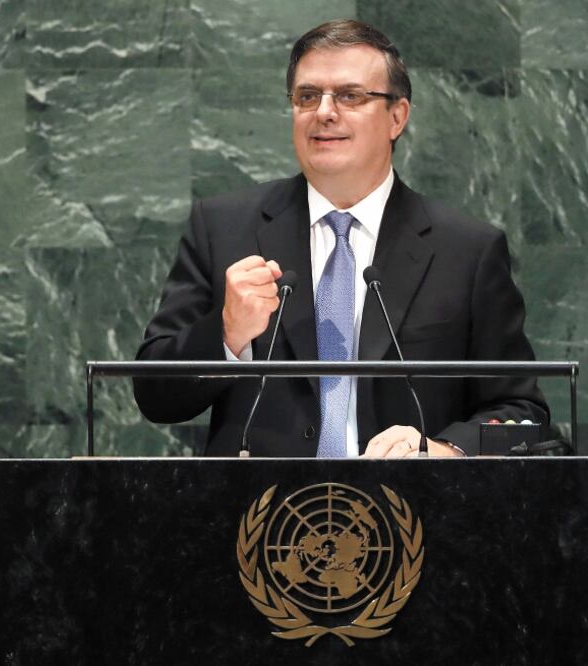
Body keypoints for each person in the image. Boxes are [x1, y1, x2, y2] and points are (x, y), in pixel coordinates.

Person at [134, 19, 549, 458]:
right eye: (307, 96)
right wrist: (226, 333)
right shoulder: (223, 228)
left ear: (397, 116)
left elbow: (525, 415)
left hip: (411, 513)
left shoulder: (467, 250)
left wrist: (445, 448)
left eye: (350, 96)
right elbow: (154, 396)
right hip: (259, 517)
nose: (324, 112)